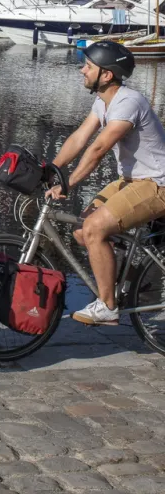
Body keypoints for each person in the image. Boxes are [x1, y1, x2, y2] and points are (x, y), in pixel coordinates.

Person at [46, 41, 165, 325]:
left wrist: (68, 184)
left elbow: (98, 149)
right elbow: (79, 137)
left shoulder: (129, 102)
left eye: (88, 66)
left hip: (157, 184)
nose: (81, 70)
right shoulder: (103, 101)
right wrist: (51, 168)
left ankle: (108, 305)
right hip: (132, 181)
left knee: (95, 228)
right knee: (80, 230)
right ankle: (121, 283)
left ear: (107, 74)